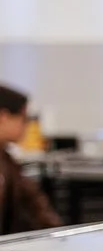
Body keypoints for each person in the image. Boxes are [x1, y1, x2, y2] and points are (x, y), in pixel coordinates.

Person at [0, 86, 63, 232]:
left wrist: (60, 237)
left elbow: (33, 204)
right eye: (24, 118)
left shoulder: (6, 161)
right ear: (3, 117)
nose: (27, 125)